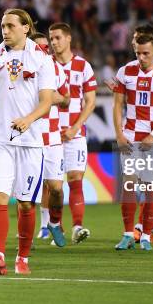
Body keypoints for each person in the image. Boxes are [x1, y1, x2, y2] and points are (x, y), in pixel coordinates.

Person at [0, 8, 55, 275]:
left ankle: (23, 258)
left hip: (30, 142)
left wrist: (28, 119)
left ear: (26, 28)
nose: (5, 31)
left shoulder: (42, 59)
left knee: (25, 203)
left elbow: (47, 101)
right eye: (2, 26)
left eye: (10, 26)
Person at [113, 32, 153, 251]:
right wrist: (119, 135)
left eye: (146, 53)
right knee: (129, 184)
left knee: (151, 187)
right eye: (138, 53)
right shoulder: (125, 71)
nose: (141, 57)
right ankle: (127, 234)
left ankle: (147, 236)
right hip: (130, 135)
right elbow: (117, 105)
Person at [49, 22, 96, 244]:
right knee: (54, 186)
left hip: (75, 133)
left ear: (68, 39)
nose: (54, 42)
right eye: (51, 38)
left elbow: (90, 101)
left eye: (58, 37)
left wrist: (76, 127)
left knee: (76, 178)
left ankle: (77, 227)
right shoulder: (46, 65)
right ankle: (55, 224)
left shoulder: (83, 66)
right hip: (50, 135)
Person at [29, 32, 70, 246]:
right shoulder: (22, 70)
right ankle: (27, 236)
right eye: (40, 47)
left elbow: (67, 100)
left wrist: (58, 98)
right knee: (26, 194)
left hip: (52, 138)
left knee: (56, 188)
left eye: (47, 47)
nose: (45, 50)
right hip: (29, 138)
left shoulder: (57, 70)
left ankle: (54, 223)